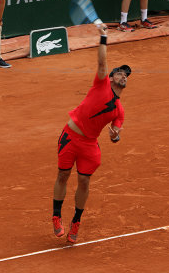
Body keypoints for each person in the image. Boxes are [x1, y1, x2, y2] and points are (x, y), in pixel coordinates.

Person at [52, 25, 131, 244]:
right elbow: (102, 62)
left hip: (89, 145)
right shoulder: (101, 82)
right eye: (120, 72)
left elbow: (116, 136)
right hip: (70, 136)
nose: (124, 76)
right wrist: (104, 36)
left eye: (127, 75)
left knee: (84, 182)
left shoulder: (119, 111)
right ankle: (56, 216)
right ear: (112, 76)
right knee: (62, 176)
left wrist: (115, 136)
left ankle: (75, 221)